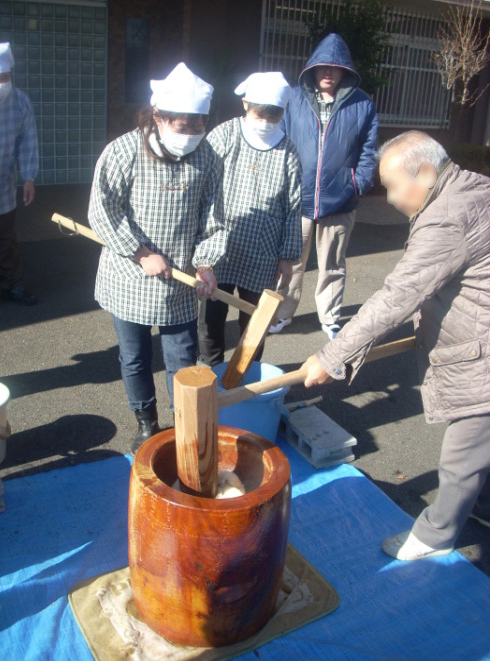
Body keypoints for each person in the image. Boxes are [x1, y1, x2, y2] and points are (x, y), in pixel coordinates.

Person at [301, 130, 490, 561]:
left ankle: (434, 535)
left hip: (483, 356)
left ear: (424, 172)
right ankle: (484, 506)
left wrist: (331, 356)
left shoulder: (447, 217)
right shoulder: (472, 186)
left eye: (389, 185)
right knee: (482, 447)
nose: (387, 198)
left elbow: (397, 296)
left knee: (464, 451)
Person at [89, 63, 226, 454]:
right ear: (158, 117)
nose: (191, 134)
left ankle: (184, 426)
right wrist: (141, 252)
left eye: (198, 125)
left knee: (182, 360)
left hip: (180, 280)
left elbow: (214, 218)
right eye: (182, 126)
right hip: (129, 275)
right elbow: (103, 211)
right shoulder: (123, 151)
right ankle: (146, 422)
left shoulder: (209, 158)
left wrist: (205, 264)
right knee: (134, 357)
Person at [270, 33, 378, 340]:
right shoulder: (294, 99)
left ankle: (330, 318)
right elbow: (281, 142)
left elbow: (369, 150)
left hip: (341, 199)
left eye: (334, 67)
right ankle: (282, 313)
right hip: (298, 200)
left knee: (333, 263)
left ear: (345, 70)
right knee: (291, 262)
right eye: (322, 67)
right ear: (312, 69)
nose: (327, 72)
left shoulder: (362, 104)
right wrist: (284, 186)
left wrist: (357, 184)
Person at [197, 72, 302, 366]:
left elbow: (294, 207)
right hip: (220, 248)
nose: (267, 121)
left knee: (254, 325)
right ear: (245, 104)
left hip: (263, 252)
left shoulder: (287, 151)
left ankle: (247, 379)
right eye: (261, 113)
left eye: (275, 115)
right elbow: (201, 189)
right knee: (211, 322)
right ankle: (210, 376)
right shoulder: (224, 135)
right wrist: (199, 250)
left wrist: (287, 257)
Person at [0, 42, 38, 306]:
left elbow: (28, 141)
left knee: (5, 241)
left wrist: (29, 177)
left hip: (3, 186)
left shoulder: (20, 101)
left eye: (5, 76)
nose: (1, 82)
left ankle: (11, 285)